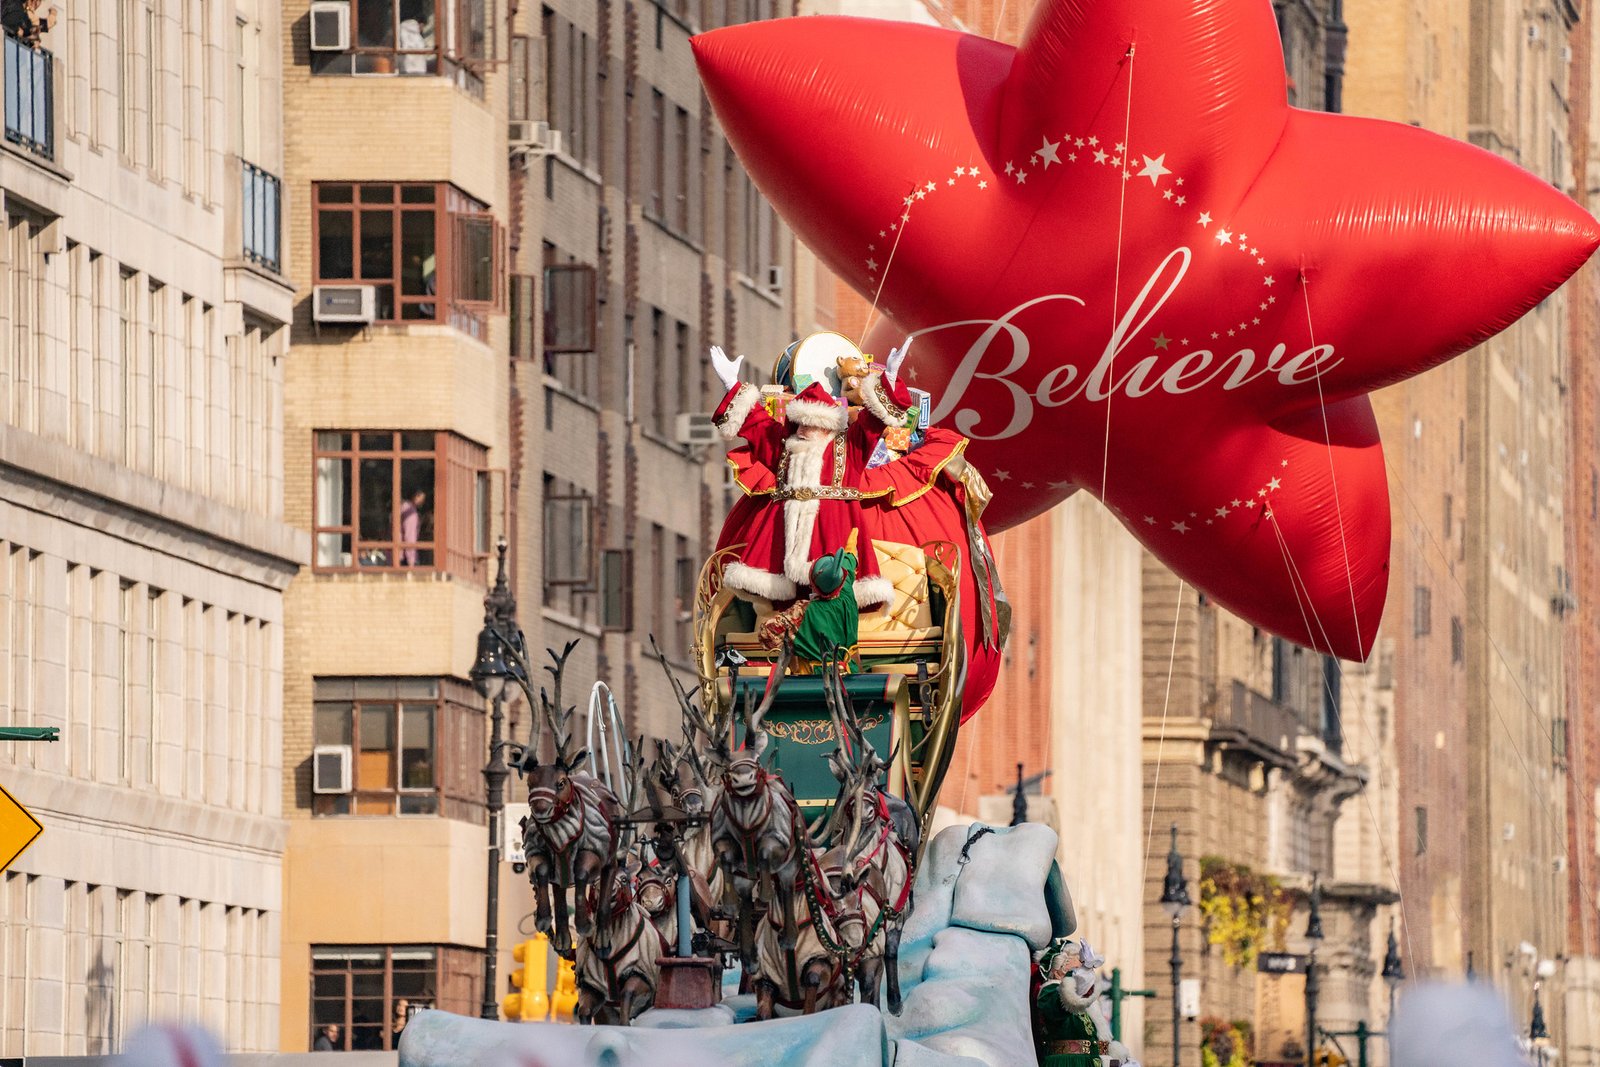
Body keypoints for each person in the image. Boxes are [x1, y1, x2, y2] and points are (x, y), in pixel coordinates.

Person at [707, 341, 906, 610]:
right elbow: (757, 424)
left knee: (832, 602)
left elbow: (874, 421)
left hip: (832, 538)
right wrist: (732, 384)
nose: (801, 430)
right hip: (783, 548)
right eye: (799, 424)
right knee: (783, 609)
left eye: (809, 425)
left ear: (826, 426)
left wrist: (889, 379)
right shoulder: (786, 450)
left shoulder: (848, 448)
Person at [399, 490, 427, 565]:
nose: (422, 501)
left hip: (398, 553)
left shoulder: (402, 508)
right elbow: (410, 536)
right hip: (405, 556)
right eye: (419, 497)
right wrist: (411, 559)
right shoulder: (410, 513)